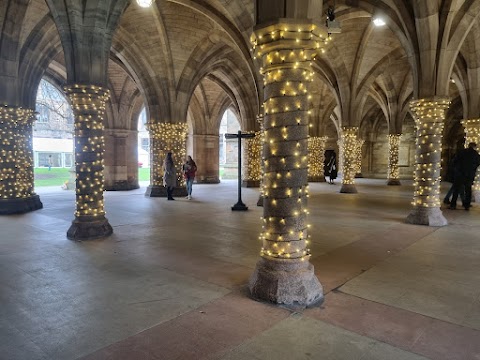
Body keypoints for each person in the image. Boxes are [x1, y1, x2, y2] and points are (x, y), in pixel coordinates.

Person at [449, 142, 480, 210]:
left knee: (456, 190)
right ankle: (467, 205)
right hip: (469, 175)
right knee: (468, 190)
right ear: (474, 147)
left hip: (460, 174)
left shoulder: (462, 152)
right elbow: (478, 163)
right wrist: (472, 169)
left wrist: (457, 169)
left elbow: (455, 161)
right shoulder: (476, 154)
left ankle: (453, 204)